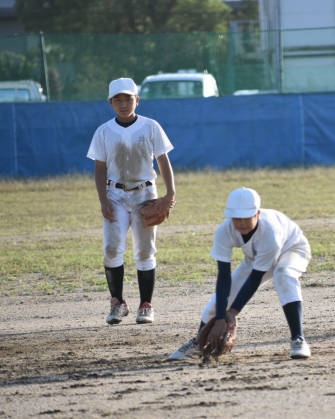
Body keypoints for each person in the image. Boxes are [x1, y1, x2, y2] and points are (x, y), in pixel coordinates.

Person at [170, 187, 312, 360]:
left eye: (246, 217)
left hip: (292, 249)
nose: (241, 223)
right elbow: (224, 276)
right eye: (237, 218)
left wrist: (233, 312)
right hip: (256, 257)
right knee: (216, 304)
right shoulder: (225, 230)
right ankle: (198, 343)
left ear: (257, 213)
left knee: (284, 274)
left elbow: (255, 278)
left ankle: (298, 339)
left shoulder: (270, 232)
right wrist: (220, 317)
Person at [87, 77, 176, 325]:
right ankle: (117, 303)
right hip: (115, 195)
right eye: (118, 100)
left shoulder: (150, 126)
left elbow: (163, 160)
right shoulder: (104, 131)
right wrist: (103, 200)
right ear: (110, 103)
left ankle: (146, 305)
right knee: (111, 249)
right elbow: (100, 168)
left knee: (145, 251)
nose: (123, 104)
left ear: (137, 100)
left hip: (145, 194)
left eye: (128, 99)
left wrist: (170, 193)